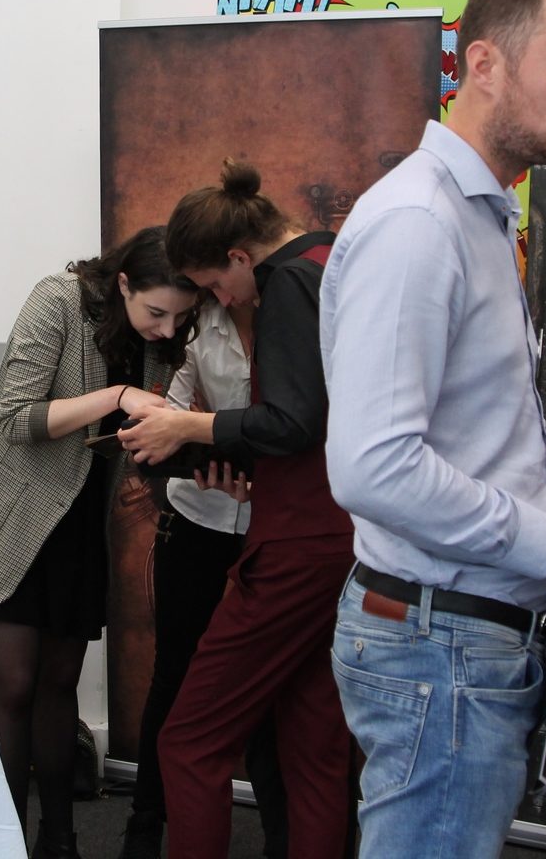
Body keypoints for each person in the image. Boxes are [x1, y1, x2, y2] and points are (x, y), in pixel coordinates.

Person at [319, 0, 546, 859]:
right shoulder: (421, 223)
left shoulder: (478, 214)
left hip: (456, 639)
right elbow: (374, 467)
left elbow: (463, 429)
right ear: (484, 64)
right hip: (440, 642)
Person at [0, 226, 200, 859]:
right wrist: (118, 396)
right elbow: (17, 417)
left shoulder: (161, 339)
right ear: (123, 284)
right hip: (10, 515)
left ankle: (60, 842)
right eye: (157, 312)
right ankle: (3, 845)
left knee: (59, 684)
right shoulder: (58, 298)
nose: (166, 329)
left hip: (77, 522)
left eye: (179, 318)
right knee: (15, 686)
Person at [119, 161, 355, 859]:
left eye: (216, 285)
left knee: (190, 741)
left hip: (296, 548)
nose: (221, 299)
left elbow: (292, 421)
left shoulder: (288, 282)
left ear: (240, 257)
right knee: (315, 746)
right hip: (347, 536)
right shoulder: (332, 258)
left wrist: (188, 427)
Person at [117, 298, 289, 859]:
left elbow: (298, 423)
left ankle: (283, 839)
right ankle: (145, 825)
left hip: (274, 522)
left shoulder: (292, 315)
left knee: (272, 685)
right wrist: (172, 440)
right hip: (197, 514)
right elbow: (166, 414)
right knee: (173, 673)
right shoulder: (196, 325)